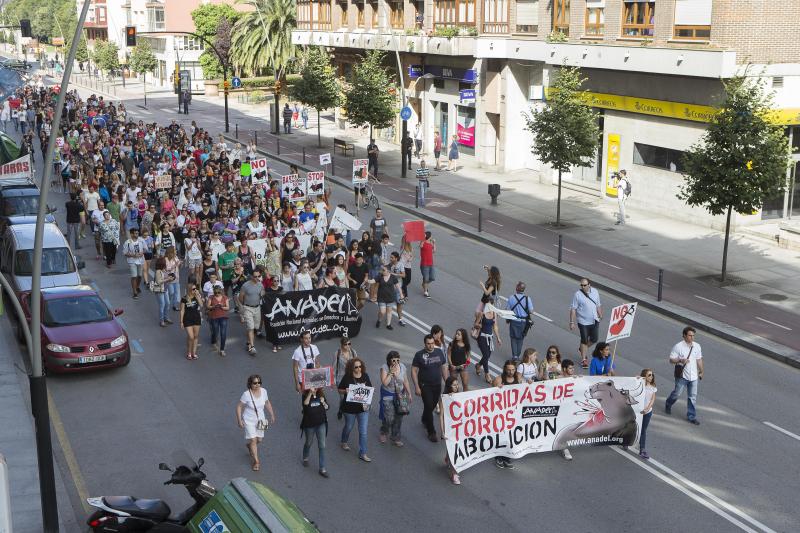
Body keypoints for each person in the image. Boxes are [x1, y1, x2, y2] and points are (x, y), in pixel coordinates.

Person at [236, 374, 276, 472]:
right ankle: (256, 462)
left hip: (261, 419)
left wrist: (272, 414)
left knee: (259, 440)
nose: (257, 385)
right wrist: (239, 420)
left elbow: (267, 402)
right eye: (255, 383)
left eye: (259, 382)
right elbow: (239, 407)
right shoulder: (246, 394)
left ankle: (249, 446)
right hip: (248, 420)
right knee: (253, 440)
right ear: (250, 384)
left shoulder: (264, 391)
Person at [411, 334, 447, 443]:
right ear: (425, 344)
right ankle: (431, 432)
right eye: (428, 344)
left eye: (432, 343)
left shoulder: (439, 352)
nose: (431, 346)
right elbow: (413, 371)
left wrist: (448, 383)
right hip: (425, 385)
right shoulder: (419, 355)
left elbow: (444, 367)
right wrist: (417, 386)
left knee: (430, 406)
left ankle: (424, 418)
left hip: (437, 385)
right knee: (428, 405)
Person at [665, 326, 704, 425]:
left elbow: (699, 359)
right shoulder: (678, 346)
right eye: (690, 335)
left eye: (693, 335)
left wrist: (701, 371)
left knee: (692, 397)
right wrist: (680, 360)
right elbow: (671, 360)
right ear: (684, 336)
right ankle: (668, 403)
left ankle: (691, 416)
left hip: (694, 377)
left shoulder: (697, 346)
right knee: (677, 394)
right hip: (682, 376)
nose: (692, 337)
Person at [337, 358, 373, 462]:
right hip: (349, 409)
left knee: (363, 431)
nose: (359, 369)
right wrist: (345, 391)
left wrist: (370, 392)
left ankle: (363, 453)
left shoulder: (365, 376)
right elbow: (339, 389)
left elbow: (370, 389)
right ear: (351, 368)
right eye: (356, 367)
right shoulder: (347, 377)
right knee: (348, 427)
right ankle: (344, 441)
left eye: (360, 366)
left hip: (363, 409)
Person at [492, 360, 521, 469]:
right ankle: (499, 457)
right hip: (501, 413)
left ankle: (507, 457)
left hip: (514, 412)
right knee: (501, 436)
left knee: (511, 436)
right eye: (508, 370)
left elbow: (524, 391)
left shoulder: (518, 378)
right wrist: (497, 390)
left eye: (513, 369)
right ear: (505, 369)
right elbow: (489, 395)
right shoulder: (499, 380)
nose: (511, 372)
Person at [379, 351, 411, 447]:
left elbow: (405, 381)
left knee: (399, 416)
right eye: (394, 360)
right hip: (388, 394)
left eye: (398, 360)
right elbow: (385, 383)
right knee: (389, 417)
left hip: (401, 394)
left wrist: (409, 393)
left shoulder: (402, 367)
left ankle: (395, 437)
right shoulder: (384, 367)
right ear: (389, 360)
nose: (396, 362)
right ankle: (384, 432)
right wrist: (390, 373)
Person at [569, 278, 603, 369]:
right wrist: (572, 322)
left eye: (584, 285)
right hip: (583, 321)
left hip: (594, 320)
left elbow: (598, 304)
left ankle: (582, 349)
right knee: (584, 340)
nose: (583, 287)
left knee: (595, 339)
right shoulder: (577, 294)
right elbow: (573, 309)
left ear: (589, 285)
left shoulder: (595, 292)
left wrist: (600, 314)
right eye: (581, 285)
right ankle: (584, 359)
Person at [438, 376, 462, 484]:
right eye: (454, 385)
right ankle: (454, 474)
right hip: (450, 428)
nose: (457, 387)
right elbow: (442, 416)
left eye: (457, 384)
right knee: (455, 450)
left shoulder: (462, 396)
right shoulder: (444, 398)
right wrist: (442, 432)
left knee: (456, 448)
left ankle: (448, 458)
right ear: (449, 386)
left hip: (461, 428)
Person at [474, 296, 502, 383]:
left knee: (488, 355)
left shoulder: (494, 313)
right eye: (487, 305)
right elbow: (475, 324)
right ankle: (487, 374)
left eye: (490, 305)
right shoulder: (481, 314)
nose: (489, 307)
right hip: (482, 336)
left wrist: (498, 338)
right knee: (486, 355)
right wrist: (479, 325)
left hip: (490, 337)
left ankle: (478, 365)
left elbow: (495, 326)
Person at [238, 270, 265, 355]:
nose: (257, 278)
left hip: (257, 308)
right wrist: (244, 305)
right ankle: (252, 347)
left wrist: (262, 293)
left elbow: (263, 293)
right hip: (248, 308)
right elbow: (240, 297)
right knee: (251, 327)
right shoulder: (245, 285)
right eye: (255, 276)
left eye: (258, 276)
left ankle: (248, 342)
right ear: (252, 277)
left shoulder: (260, 284)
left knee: (255, 327)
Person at [556, 359, 578, 460]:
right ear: (564, 369)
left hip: (569, 409)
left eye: (573, 368)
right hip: (558, 408)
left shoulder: (575, 379)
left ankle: (564, 447)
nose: (572, 370)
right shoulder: (558, 379)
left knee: (567, 429)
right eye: (570, 368)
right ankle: (563, 448)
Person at [506, 282, 534, 361]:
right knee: (521, 339)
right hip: (523, 322)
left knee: (513, 338)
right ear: (523, 289)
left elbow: (507, 309)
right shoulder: (527, 298)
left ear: (517, 288)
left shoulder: (511, 297)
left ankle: (515, 356)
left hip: (514, 320)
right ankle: (518, 355)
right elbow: (531, 311)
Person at [180, 278, 204, 360]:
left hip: (196, 318)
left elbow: (201, 305)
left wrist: (197, 295)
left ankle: (194, 353)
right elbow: (182, 310)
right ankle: (189, 352)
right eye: (194, 289)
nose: (195, 290)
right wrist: (181, 322)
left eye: (196, 288)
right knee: (191, 337)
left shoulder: (197, 296)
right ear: (190, 289)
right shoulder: (184, 298)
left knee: (196, 336)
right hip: (187, 319)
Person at [333, 337, 358, 418]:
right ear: (341, 345)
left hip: (351, 377)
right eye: (345, 344)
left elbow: (357, 365)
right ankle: (341, 410)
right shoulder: (337, 353)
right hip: (340, 378)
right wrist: (333, 380)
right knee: (343, 397)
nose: (348, 346)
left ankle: (349, 411)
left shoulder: (353, 352)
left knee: (351, 396)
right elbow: (333, 367)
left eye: (349, 344)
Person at [369, 265, 399, 330]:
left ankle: (388, 324)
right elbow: (372, 281)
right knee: (382, 311)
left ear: (388, 271)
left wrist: (401, 294)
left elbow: (397, 286)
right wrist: (367, 280)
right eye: (382, 270)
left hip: (390, 297)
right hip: (381, 297)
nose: (382, 271)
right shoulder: (380, 276)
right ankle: (379, 320)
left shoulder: (393, 277)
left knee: (389, 311)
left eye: (384, 270)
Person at [121, 228, 146, 299]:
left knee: (140, 276)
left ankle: (137, 286)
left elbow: (145, 248)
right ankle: (134, 292)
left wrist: (142, 253)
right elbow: (125, 253)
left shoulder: (141, 240)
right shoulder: (127, 242)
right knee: (134, 276)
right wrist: (133, 255)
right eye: (135, 233)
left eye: (137, 233)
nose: (137, 235)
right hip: (132, 261)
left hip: (140, 260)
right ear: (131, 234)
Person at [207, 285, 230, 357]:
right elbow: (208, 306)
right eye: (216, 292)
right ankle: (213, 341)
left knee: (223, 333)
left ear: (221, 292)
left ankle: (222, 349)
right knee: (215, 332)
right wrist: (214, 306)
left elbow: (228, 308)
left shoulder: (225, 297)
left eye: (219, 292)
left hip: (223, 317)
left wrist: (222, 306)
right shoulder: (211, 297)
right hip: (214, 317)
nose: (217, 294)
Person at [639, 368, 656, 459]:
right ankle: (626, 442)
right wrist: (637, 378)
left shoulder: (653, 387)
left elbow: (652, 399)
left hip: (647, 412)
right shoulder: (639, 384)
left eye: (652, 375)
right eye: (649, 375)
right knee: (633, 428)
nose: (651, 376)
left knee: (643, 430)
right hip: (638, 411)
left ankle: (642, 449)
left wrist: (648, 408)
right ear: (644, 376)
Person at [152, 257, 170, 327]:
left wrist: (169, 278)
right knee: (162, 305)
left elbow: (165, 278)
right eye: (164, 262)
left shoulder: (164, 270)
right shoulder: (158, 271)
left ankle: (166, 317)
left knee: (167, 303)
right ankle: (162, 320)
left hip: (165, 289)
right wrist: (167, 279)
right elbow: (159, 282)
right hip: (160, 290)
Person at [420, 231, 436, 298]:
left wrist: (434, 243)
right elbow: (421, 246)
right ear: (430, 236)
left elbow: (434, 250)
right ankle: (426, 292)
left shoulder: (430, 244)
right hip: (424, 264)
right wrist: (423, 239)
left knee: (432, 278)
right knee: (426, 278)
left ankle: (424, 284)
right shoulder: (423, 243)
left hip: (431, 264)